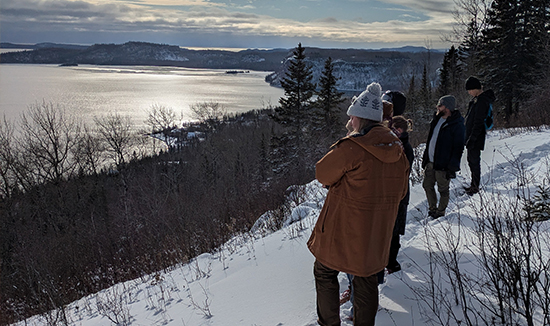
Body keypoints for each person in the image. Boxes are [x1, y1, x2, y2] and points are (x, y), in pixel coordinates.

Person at [308, 82, 410, 326]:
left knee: (324, 272)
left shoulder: (353, 148)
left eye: (352, 115)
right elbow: (401, 191)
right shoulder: (398, 150)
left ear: (361, 117)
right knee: (366, 279)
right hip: (377, 231)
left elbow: (322, 173)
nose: (350, 120)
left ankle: (329, 323)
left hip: (343, 229)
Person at [422, 95, 465, 219]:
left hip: (443, 165)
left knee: (443, 190)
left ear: (447, 107)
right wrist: (425, 159)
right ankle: (432, 209)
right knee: (427, 185)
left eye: (440, 105)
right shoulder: (436, 120)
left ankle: (440, 212)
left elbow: (458, 147)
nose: (437, 107)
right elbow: (430, 140)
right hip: (430, 162)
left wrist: (452, 167)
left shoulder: (457, 124)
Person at [464, 76, 496, 196]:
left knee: (474, 160)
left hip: (476, 136)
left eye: (470, 90)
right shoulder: (477, 100)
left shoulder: (482, 101)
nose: (469, 92)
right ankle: (473, 184)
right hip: (472, 135)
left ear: (475, 88)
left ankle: (475, 186)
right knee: (471, 160)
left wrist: (472, 138)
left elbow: (478, 121)